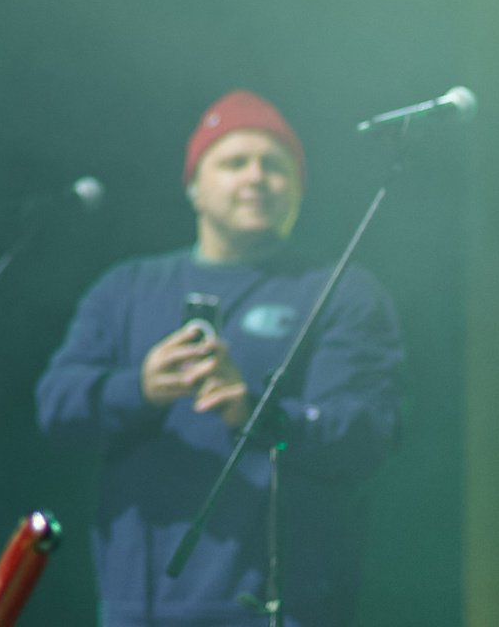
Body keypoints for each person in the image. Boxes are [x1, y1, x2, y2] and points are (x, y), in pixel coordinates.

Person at [38, 90, 404, 627]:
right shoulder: (125, 289)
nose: (256, 177)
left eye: (275, 166)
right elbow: (56, 408)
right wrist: (139, 388)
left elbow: (366, 433)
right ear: (193, 186)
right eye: (234, 163)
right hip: (139, 611)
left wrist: (259, 415)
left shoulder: (342, 292)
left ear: (299, 190)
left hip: (282, 611)